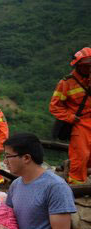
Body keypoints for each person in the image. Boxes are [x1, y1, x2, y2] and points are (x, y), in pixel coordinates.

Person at [50, 46, 91, 185]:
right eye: (86, 66)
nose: (88, 68)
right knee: (81, 155)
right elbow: (55, 106)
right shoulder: (66, 83)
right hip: (80, 123)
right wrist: (70, 117)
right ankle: (76, 186)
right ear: (78, 65)